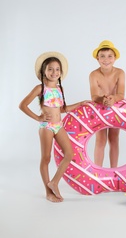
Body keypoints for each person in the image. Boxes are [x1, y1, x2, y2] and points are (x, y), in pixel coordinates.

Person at [19, 51, 88, 202]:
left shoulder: (59, 88)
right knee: (46, 158)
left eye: (57, 69)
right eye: (50, 69)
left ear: (61, 72)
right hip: (46, 127)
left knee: (69, 154)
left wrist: (80, 103)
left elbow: (62, 109)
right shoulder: (40, 88)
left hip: (59, 125)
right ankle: (48, 192)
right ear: (43, 71)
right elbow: (22, 105)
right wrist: (38, 117)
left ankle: (54, 182)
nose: (54, 72)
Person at [89, 40, 125, 168]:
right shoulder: (93, 75)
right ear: (97, 58)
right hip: (100, 109)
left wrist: (113, 99)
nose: (106, 59)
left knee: (114, 139)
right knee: (100, 140)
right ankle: (98, 170)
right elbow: (94, 96)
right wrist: (102, 99)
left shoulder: (120, 73)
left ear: (114, 58)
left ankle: (113, 169)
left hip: (115, 109)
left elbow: (121, 94)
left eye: (110, 56)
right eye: (102, 56)